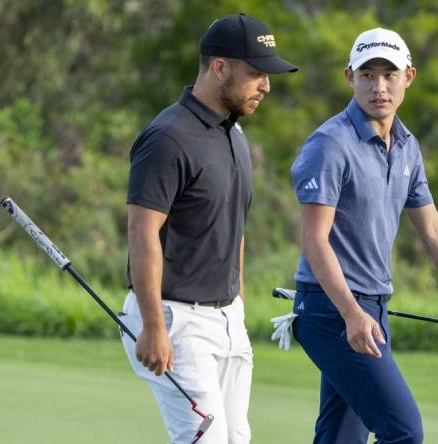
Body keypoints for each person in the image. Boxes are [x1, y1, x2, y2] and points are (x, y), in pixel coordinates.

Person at [288, 28, 438, 443]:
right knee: (404, 432)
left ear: (409, 76)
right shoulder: (329, 144)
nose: (379, 87)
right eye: (367, 75)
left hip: (372, 306)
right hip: (331, 309)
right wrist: (352, 314)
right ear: (349, 77)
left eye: (389, 74)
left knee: (340, 438)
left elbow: (434, 231)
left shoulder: (407, 146)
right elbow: (315, 241)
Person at [119, 13, 297, 444]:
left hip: (226, 319)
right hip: (175, 318)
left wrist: (237, 298)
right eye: (256, 73)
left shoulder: (233, 134)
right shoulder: (168, 138)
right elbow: (142, 233)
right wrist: (153, 327)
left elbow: (233, 223)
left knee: (236, 438)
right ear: (220, 68)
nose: (266, 86)